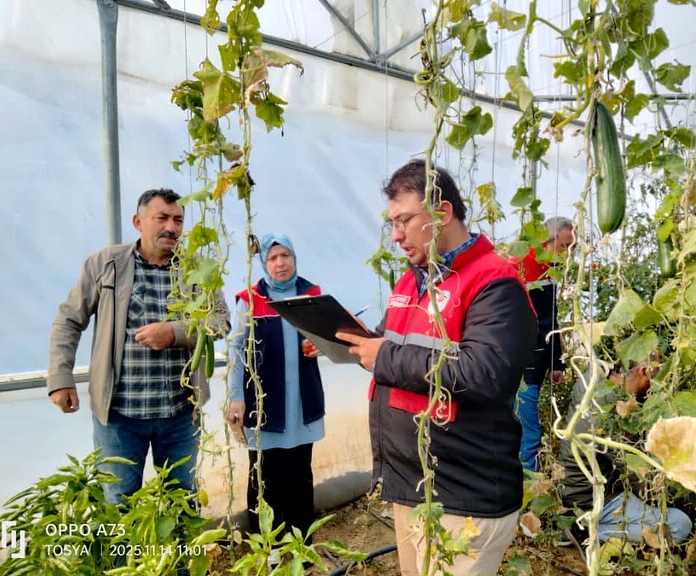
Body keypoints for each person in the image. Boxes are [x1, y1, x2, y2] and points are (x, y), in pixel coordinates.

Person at [336, 160, 538, 576]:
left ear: (442, 213)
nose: (395, 235)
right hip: (416, 488)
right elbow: (394, 344)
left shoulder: (495, 283)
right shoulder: (412, 280)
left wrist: (384, 356)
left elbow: (485, 374)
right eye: (392, 223)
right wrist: (350, 338)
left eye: (405, 220)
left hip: (465, 497)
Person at [47, 188, 230, 505]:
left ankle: (177, 541)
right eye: (162, 218)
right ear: (138, 221)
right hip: (119, 416)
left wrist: (174, 332)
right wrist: (60, 378)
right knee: (119, 502)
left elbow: (221, 320)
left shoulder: (197, 269)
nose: (171, 227)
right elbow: (69, 320)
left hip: (180, 414)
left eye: (178, 220)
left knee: (181, 502)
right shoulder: (105, 264)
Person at [224, 233, 325, 539]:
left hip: (300, 403)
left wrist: (318, 345)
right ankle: (266, 547)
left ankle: (301, 547)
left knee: (300, 476)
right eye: (272, 258)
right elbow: (235, 349)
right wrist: (236, 396)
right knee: (264, 479)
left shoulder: (310, 294)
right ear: (263, 263)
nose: (280, 263)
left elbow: (326, 335)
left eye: (286, 256)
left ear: (294, 258)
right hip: (265, 404)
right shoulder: (251, 298)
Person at [557, 358, 693, 545]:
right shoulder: (612, 412)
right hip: (592, 498)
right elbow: (639, 476)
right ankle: (586, 530)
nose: (660, 383)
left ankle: (583, 524)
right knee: (679, 524)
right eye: (658, 375)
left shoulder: (592, 379)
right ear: (643, 372)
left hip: (575, 485)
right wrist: (686, 498)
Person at [512, 216, 575, 471]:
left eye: (571, 247)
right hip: (521, 362)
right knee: (528, 432)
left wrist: (556, 362)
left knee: (523, 426)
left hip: (535, 361)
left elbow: (551, 318)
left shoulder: (550, 268)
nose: (568, 253)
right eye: (564, 246)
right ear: (546, 242)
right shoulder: (520, 266)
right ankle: (529, 483)